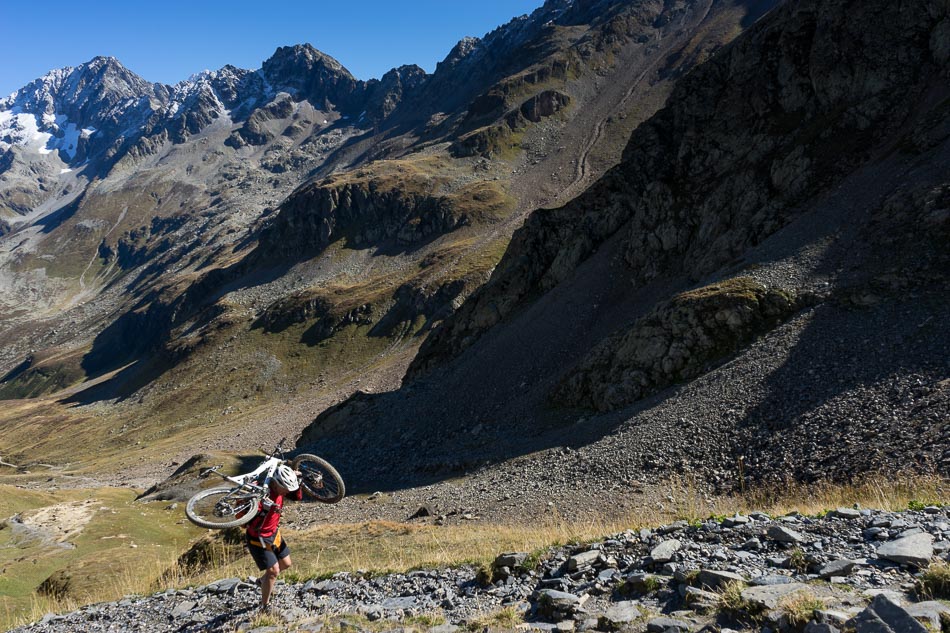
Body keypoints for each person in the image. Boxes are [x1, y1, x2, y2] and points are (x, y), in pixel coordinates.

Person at [245, 464, 303, 610]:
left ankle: (262, 582)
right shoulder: (261, 494)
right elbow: (249, 522)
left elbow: (297, 497)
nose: (287, 491)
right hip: (258, 539)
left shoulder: (281, 488)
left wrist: (299, 481)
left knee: (286, 563)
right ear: (276, 484)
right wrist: (264, 509)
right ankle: (265, 606)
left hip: (274, 534)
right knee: (273, 571)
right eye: (285, 488)